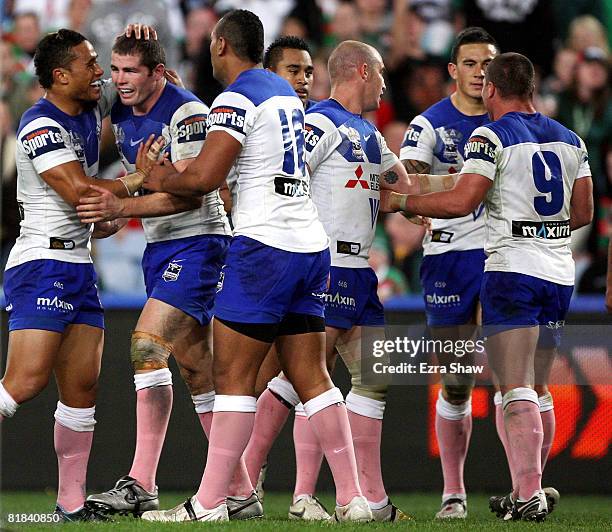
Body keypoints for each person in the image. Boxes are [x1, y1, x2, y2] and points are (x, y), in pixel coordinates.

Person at [139, 9, 372, 522]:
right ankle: (355, 499)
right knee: (313, 377)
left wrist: (160, 176)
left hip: (264, 248)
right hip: (311, 245)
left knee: (233, 376)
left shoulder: (238, 96)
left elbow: (203, 176)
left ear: (221, 44)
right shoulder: (283, 93)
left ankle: (208, 505)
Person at [385, 52, 593, 521]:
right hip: (559, 273)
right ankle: (530, 489)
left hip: (511, 269)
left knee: (514, 385)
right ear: (534, 89)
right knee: (537, 387)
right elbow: (584, 213)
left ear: (493, 91)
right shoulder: (571, 139)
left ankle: (528, 496)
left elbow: (463, 200)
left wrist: (401, 199)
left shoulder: (490, 134)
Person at [75, 33, 261, 520]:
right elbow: (130, 196)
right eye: (115, 70)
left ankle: (142, 482)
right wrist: (115, 209)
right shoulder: (122, 113)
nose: (120, 80)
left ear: (158, 72)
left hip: (199, 242)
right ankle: (240, 494)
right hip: (161, 246)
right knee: (199, 372)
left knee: (146, 344)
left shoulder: (188, 114)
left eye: (131, 71)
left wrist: (124, 202)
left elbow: (194, 193)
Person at [240, 39, 423, 523]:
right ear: (362, 70)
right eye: (380, 72)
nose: (385, 82)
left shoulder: (369, 132)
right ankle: (274, 485)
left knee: (367, 379)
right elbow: (288, 177)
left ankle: (367, 498)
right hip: (329, 266)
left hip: (361, 271)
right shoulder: (319, 121)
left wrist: (463, 190)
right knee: (306, 379)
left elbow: (401, 186)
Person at [0, 28, 158, 522]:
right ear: (60, 75)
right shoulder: (38, 125)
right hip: (41, 263)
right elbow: (79, 191)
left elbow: (137, 86)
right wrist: (136, 180)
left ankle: (69, 507)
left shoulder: (89, 111)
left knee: (82, 390)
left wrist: (145, 46)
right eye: (90, 64)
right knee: (23, 382)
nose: (100, 72)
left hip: (78, 264)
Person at [399, 26, 498, 519]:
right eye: (472, 63)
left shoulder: (518, 121)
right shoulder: (430, 123)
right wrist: (468, 184)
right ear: (453, 71)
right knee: (458, 378)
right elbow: (407, 178)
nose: (482, 72)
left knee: (516, 374)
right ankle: (453, 493)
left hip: (506, 256)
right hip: (451, 256)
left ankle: (530, 491)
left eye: (489, 63)